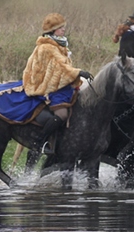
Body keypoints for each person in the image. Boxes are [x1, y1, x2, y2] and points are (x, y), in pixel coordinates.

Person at [22, 13, 93, 154]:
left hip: (62, 85)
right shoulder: (47, 47)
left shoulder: (59, 44)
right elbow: (60, 67)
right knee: (62, 115)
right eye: (60, 27)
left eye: (63, 27)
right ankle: (39, 143)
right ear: (53, 30)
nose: (63, 30)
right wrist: (78, 72)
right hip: (49, 86)